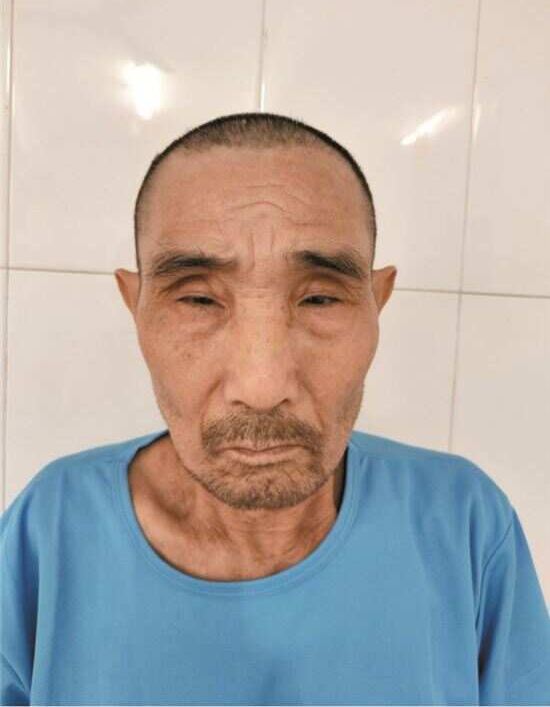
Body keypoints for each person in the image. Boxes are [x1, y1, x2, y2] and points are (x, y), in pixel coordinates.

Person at [1, 112, 549, 706]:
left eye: (320, 299)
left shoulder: (462, 524)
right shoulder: (50, 529)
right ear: (137, 307)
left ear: (377, 302)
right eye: (198, 299)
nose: (261, 388)